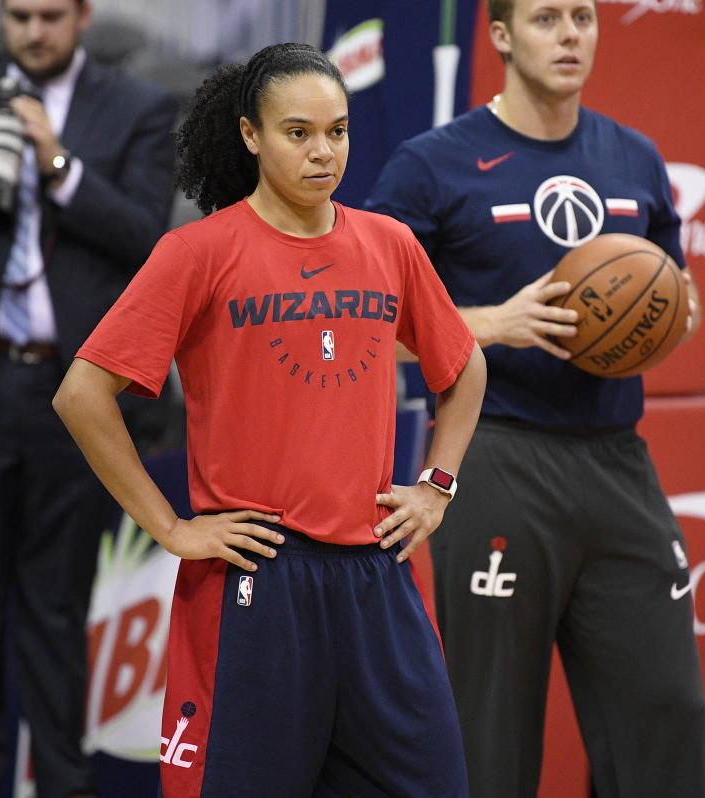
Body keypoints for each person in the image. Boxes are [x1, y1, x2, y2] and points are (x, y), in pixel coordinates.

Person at [53, 42, 487, 798]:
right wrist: (172, 528)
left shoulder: (389, 244)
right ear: (251, 134)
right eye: (298, 132)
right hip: (257, 581)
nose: (324, 152)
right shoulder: (197, 253)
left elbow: (463, 366)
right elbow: (82, 395)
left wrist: (436, 486)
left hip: (377, 577)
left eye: (338, 131)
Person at [365, 1, 705, 796]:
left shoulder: (635, 157)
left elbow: (678, 295)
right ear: (500, 36)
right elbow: (365, 323)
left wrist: (673, 316)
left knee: (669, 715)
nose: (569, 35)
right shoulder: (431, 165)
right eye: (546, 18)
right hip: (494, 456)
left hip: (617, 458)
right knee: (491, 739)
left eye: (583, 17)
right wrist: (491, 322)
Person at [0, 0, 178, 795]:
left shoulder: (138, 108)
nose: (34, 32)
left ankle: (62, 785)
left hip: (75, 394)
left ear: (85, 16)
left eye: (51, 15)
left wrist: (57, 164)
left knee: (57, 615)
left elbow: (146, 238)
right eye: (18, 15)